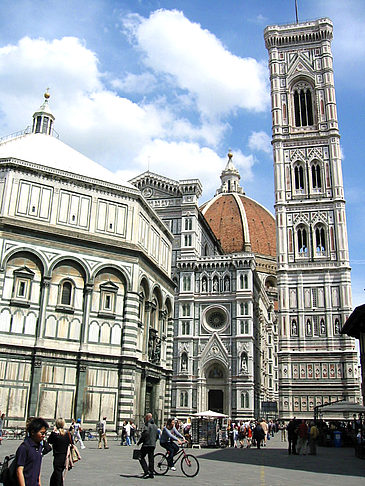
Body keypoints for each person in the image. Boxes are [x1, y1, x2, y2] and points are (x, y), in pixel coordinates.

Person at [16, 416, 49, 486]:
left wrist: (39, 483)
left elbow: (37, 468)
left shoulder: (39, 447)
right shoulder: (24, 448)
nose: (44, 436)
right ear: (33, 432)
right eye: (42, 433)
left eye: (45, 433)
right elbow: (19, 471)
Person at [48, 418, 73, 486]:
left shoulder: (55, 434)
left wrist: (53, 432)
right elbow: (71, 442)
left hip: (57, 457)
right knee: (57, 473)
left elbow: (49, 441)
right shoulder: (67, 434)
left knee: (58, 474)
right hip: (65, 456)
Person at [137, 413, 159, 479]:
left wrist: (139, 442)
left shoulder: (147, 424)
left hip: (147, 444)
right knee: (151, 459)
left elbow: (145, 434)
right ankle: (151, 473)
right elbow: (157, 436)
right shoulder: (155, 425)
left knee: (140, 456)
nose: (145, 418)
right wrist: (154, 441)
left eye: (146, 417)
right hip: (153, 445)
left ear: (148, 418)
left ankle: (146, 471)